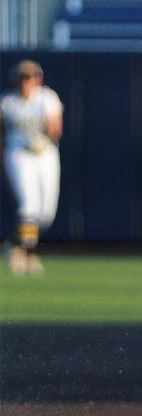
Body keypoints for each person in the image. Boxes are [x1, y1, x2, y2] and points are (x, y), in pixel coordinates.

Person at [1, 60, 63, 276]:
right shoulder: (8, 102)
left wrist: (46, 134)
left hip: (45, 153)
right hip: (19, 154)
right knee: (30, 205)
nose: (28, 81)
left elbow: (56, 128)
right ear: (16, 79)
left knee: (46, 214)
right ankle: (29, 255)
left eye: (32, 76)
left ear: (39, 78)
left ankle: (13, 243)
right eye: (23, 77)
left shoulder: (47, 98)